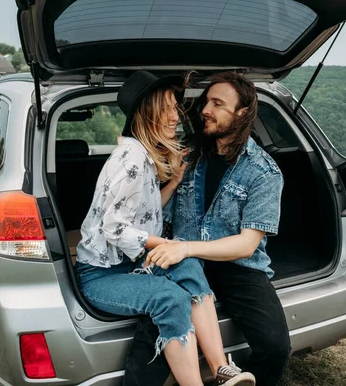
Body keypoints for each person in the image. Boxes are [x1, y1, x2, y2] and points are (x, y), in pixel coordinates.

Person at [75, 70, 255, 386]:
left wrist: (173, 183)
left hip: (129, 265)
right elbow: (114, 229)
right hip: (101, 275)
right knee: (170, 297)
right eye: (170, 108)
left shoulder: (143, 155)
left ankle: (222, 370)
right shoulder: (130, 159)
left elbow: (140, 214)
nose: (176, 117)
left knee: (188, 263)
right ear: (150, 111)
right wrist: (165, 244)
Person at [124, 72, 291, 386]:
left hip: (236, 265)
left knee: (275, 346)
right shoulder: (187, 156)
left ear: (241, 114)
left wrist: (185, 247)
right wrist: (172, 182)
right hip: (184, 263)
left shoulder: (264, 171)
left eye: (217, 103)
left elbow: (246, 245)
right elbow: (150, 216)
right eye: (206, 102)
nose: (205, 110)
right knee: (152, 344)